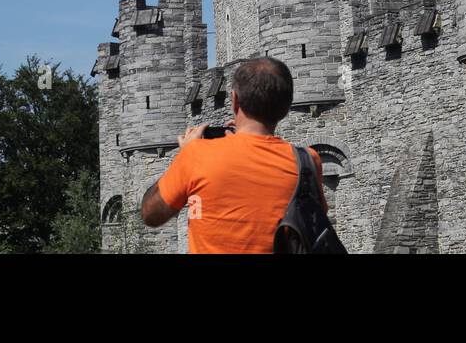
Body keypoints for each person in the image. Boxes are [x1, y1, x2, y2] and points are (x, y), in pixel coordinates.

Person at [139, 56, 329, 253]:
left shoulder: (197, 155)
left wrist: (184, 157)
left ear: (235, 100)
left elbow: (151, 214)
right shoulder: (308, 161)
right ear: (287, 107)